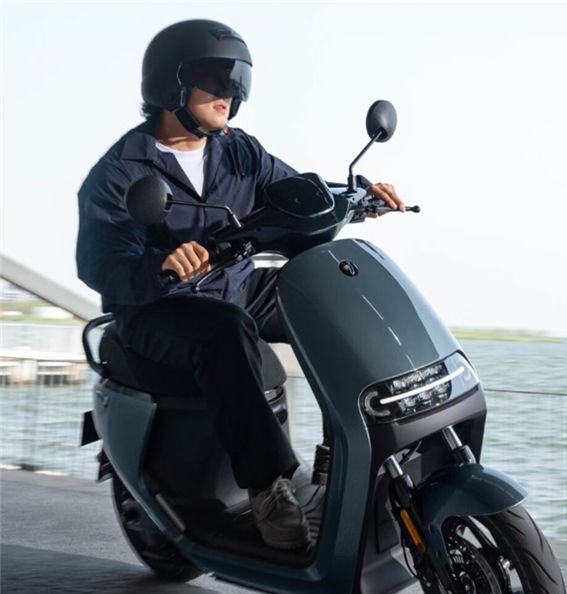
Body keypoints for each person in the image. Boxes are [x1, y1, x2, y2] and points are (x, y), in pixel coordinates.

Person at [76, 19, 405, 551]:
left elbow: (299, 193)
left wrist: (361, 197)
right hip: (158, 307)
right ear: (170, 84)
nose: (229, 93)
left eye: (236, 81)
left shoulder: (238, 151)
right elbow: (98, 262)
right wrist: (162, 264)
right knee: (224, 328)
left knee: (327, 288)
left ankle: (354, 452)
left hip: (234, 284)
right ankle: (268, 487)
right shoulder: (120, 171)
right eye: (215, 79)